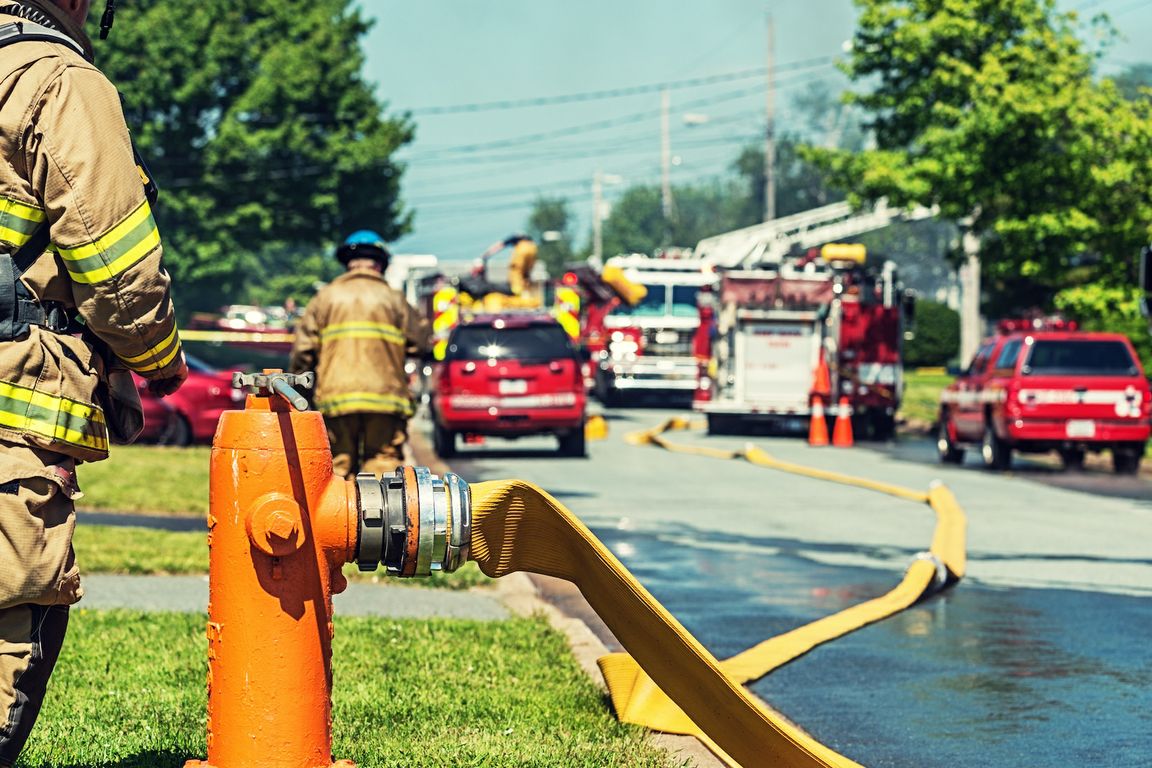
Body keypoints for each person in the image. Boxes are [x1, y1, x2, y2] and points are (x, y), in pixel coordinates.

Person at [0, 1, 187, 764]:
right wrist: (159, 359)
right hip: (12, 417)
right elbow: (117, 269)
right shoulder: (58, 79)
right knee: (13, 611)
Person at [289, 231, 430, 478]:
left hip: (336, 398)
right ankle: (378, 515)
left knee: (338, 470)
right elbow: (420, 343)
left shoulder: (325, 297)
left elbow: (303, 352)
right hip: (385, 400)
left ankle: (341, 516)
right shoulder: (395, 300)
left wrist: (299, 393)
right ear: (380, 264)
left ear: (348, 263)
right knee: (383, 468)